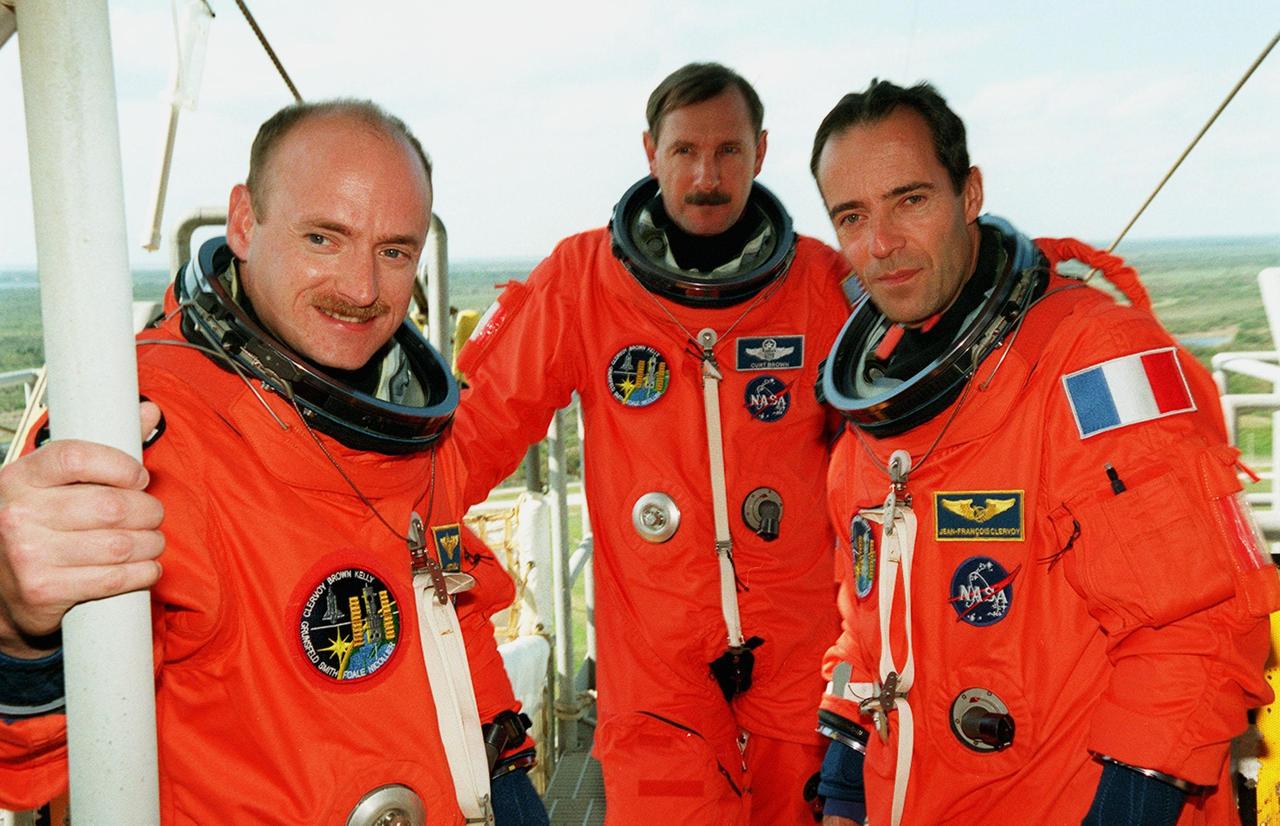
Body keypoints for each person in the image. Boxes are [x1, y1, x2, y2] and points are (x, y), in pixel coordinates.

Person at [0, 100, 547, 825]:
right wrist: (17, 622)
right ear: (244, 223)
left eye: (394, 251)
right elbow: (31, 760)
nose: (361, 289)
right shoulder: (142, 425)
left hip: (483, 776)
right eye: (325, 237)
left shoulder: (398, 411)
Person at [808, 79, 1278, 826]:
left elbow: (1198, 623)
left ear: (969, 194)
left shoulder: (1093, 362)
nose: (881, 243)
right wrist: (841, 789)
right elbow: (869, 628)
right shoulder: (876, 418)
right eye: (852, 216)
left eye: (910, 200)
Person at [452, 63, 852, 824]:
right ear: (650, 151)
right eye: (685, 152)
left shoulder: (823, 285)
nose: (707, 175)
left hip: (805, 649)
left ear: (762, 152)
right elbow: (478, 433)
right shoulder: (582, 281)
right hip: (658, 659)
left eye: (729, 151)